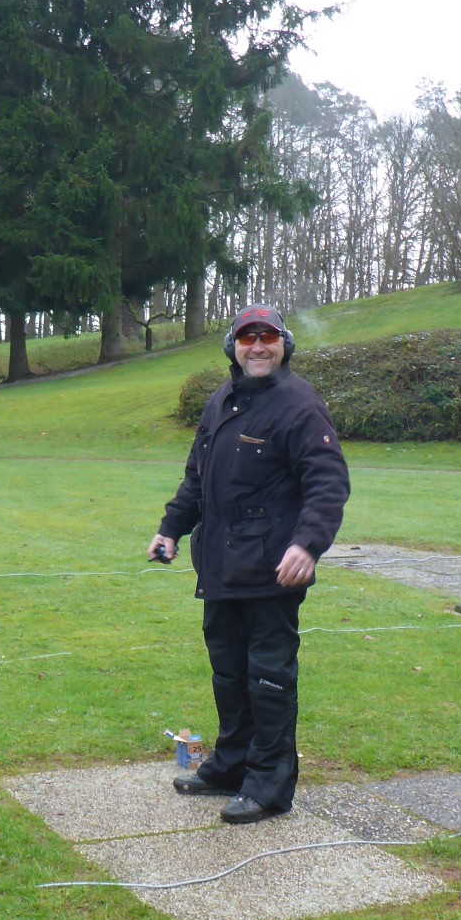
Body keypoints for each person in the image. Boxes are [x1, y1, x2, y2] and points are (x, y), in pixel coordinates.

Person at [147, 305, 350, 824]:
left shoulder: (300, 405)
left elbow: (328, 483)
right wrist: (171, 528)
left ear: (284, 344)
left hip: (271, 571)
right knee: (229, 675)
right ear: (233, 347)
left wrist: (307, 545)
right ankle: (232, 765)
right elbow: (197, 477)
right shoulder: (222, 399)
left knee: (268, 680)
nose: (257, 346)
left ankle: (269, 786)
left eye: (267, 337)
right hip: (220, 567)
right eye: (247, 337)